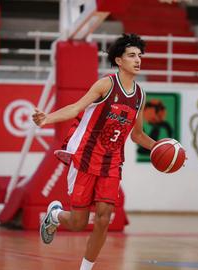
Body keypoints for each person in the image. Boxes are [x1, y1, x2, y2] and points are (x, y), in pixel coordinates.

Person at [32, 33, 156, 270]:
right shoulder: (106, 84)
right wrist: (47, 118)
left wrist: (160, 146)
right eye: (132, 55)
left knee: (103, 217)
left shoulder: (140, 95)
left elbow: (137, 134)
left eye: (140, 55)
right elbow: (75, 107)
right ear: (119, 60)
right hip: (86, 158)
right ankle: (56, 215)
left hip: (111, 163)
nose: (138, 60)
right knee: (78, 223)